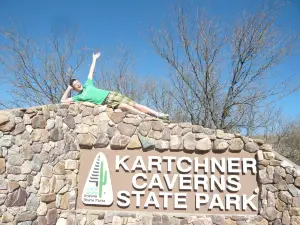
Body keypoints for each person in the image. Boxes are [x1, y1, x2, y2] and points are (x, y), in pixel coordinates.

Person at [61, 52, 169, 120]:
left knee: (134, 104)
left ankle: (157, 114)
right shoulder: (78, 97)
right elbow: (62, 101)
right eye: (75, 85)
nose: (78, 84)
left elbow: (91, 71)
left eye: (78, 82)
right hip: (107, 104)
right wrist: (68, 88)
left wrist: (94, 59)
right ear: (74, 88)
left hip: (111, 96)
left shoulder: (87, 85)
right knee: (125, 107)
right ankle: (146, 117)